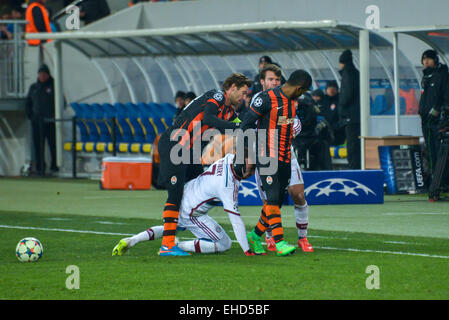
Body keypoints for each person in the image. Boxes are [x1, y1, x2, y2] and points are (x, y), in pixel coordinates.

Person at [158, 73, 251, 256]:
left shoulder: (231, 113)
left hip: (189, 153)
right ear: (232, 87)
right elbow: (208, 118)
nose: (244, 97)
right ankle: (167, 245)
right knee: (176, 194)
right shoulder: (216, 96)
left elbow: (243, 129)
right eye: (242, 92)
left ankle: (177, 228)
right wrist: (237, 128)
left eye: (246, 94)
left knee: (193, 191)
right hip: (173, 144)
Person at [112, 153, 255, 256]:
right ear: (239, 166)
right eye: (249, 169)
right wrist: (247, 250)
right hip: (192, 212)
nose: (251, 173)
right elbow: (236, 221)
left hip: (185, 194)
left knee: (170, 228)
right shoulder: (227, 186)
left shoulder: (229, 157)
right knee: (224, 244)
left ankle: (132, 240)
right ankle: (176, 245)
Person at [240, 69, 312, 257]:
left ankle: (255, 236)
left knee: (277, 201)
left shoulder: (292, 103)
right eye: (303, 91)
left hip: (285, 158)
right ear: (298, 87)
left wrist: (294, 127)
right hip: (265, 155)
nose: (302, 95)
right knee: (272, 198)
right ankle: (279, 243)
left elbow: (285, 124)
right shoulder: (264, 98)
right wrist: (248, 154)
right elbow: (245, 125)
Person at [418, 49, 449, 196]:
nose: (426, 62)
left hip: (437, 121)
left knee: (440, 153)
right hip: (426, 121)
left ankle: (440, 183)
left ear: (435, 60)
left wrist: (438, 110)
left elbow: (445, 97)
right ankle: (434, 183)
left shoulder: (442, 75)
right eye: (424, 59)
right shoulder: (426, 77)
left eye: (429, 59)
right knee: (431, 152)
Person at [25, 64, 58, 176]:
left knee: (53, 144)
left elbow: (61, 102)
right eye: (40, 74)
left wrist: (54, 116)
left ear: (48, 75)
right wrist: (31, 116)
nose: (42, 76)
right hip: (37, 122)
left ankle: (54, 166)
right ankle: (40, 168)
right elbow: (28, 103)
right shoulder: (34, 88)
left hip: (50, 122)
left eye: (44, 74)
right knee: (38, 145)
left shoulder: (54, 86)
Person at [294, 92, 333, 171]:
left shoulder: (319, 122)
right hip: (306, 139)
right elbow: (330, 138)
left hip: (311, 140)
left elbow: (329, 137)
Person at [338, 49, 361, 169]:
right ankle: (356, 166)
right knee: (356, 145)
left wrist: (341, 107)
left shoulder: (347, 73)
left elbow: (347, 94)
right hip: (356, 116)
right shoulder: (355, 72)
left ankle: (354, 168)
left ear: (342, 62)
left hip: (350, 117)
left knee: (352, 145)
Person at [321, 81, 345, 145]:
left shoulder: (340, 100)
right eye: (329, 89)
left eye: (333, 89)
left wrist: (336, 127)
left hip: (338, 131)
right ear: (326, 90)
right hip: (325, 130)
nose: (331, 91)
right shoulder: (323, 100)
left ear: (337, 90)